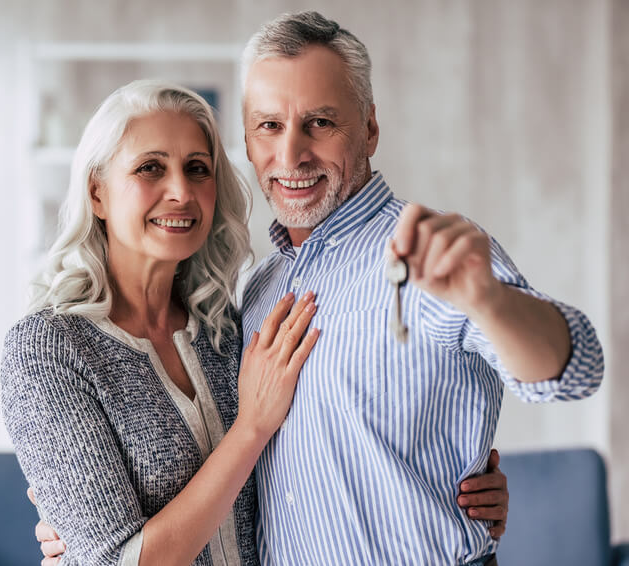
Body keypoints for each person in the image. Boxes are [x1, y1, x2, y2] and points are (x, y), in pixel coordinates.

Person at [34, 10, 603, 566]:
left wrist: (490, 300)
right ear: (249, 143)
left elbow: (573, 372)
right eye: (269, 126)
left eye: (321, 123)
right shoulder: (253, 297)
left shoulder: (429, 258)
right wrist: (80, 530)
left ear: (371, 128)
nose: (291, 155)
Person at [1, 80, 322, 566]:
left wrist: (469, 484)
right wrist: (251, 428)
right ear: (97, 192)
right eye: (151, 167)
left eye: (197, 169)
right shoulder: (48, 349)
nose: (181, 191)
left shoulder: (227, 332)